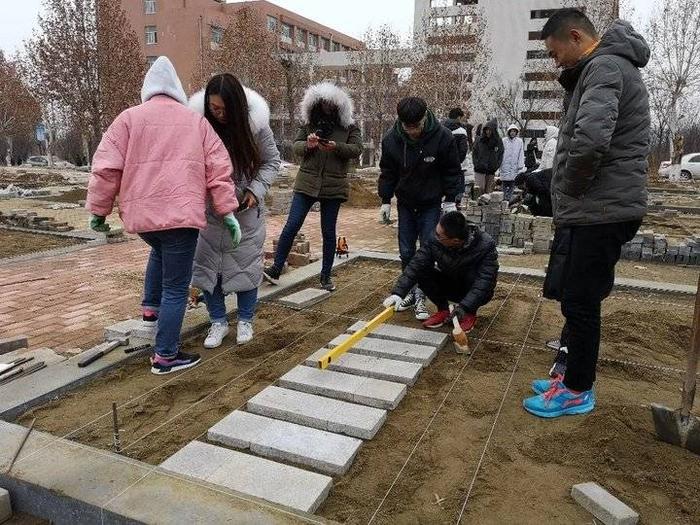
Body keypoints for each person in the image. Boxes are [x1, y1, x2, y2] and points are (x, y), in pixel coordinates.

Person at [522, 9, 650, 418]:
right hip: (598, 207)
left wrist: (567, 191)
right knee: (578, 300)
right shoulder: (604, 67)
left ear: (575, 36)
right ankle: (573, 376)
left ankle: (577, 388)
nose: (555, 61)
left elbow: (591, 141)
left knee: (581, 302)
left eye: (555, 52)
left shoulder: (605, 67)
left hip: (601, 208)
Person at [86, 57, 240, 375]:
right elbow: (219, 170)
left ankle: (150, 309)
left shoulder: (127, 120)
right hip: (181, 219)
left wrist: (99, 211)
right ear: (177, 91)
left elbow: (105, 167)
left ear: (148, 89)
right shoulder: (195, 123)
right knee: (176, 287)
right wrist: (228, 211)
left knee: (158, 251)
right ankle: (165, 356)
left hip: (144, 219)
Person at [189, 74, 280, 348]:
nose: (219, 115)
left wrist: (254, 190)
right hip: (209, 213)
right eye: (214, 109)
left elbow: (272, 161)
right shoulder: (200, 126)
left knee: (246, 267)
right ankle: (217, 322)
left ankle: (245, 319)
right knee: (207, 271)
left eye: (224, 109)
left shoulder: (256, 127)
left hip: (245, 211)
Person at [263, 81, 362, 291]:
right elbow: (296, 147)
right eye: (322, 102)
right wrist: (308, 145)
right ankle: (276, 268)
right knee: (292, 225)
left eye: (330, 103)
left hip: (334, 185)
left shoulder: (349, 127)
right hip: (307, 182)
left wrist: (337, 147)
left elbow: (356, 149)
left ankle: (326, 276)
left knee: (328, 231)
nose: (326, 106)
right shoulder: (309, 123)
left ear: (338, 105)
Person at [378, 97, 461, 320]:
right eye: (408, 127)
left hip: (430, 203)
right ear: (401, 122)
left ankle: (422, 297)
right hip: (405, 203)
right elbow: (387, 171)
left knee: (427, 250)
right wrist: (385, 200)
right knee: (406, 251)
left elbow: (452, 170)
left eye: (417, 126)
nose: (413, 131)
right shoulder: (391, 140)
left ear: (425, 117)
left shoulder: (442, 137)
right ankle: (411, 293)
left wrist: (451, 199)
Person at [383, 211, 498, 331]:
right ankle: (444, 309)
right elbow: (416, 264)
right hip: (449, 283)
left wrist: (464, 307)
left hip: (473, 290)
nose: (435, 236)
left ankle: (469, 314)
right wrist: (398, 293)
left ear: (456, 241)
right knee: (422, 271)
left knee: (475, 275)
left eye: (439, 236)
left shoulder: (485, 245)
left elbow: (485, 281)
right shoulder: (435, 239)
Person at [442, 107, 470, 206]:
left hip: (444, 166)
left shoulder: (442, 128)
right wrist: (457, 163)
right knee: (458, 191)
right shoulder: (461, 131)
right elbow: (463, 150)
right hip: (458, 166)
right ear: (458, 117)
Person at [472, 118, 504, 195]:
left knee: (489, 192)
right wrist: (476, 163)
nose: (488, 132)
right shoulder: (479, 140)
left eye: (490, 130)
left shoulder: (498, 141)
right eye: (487, 130)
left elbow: (501, 154)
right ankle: (477, 206)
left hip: (491, 169)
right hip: (480, 168)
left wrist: (496, 165)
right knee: (479, 189)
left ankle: (487, 206)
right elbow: (474, 152)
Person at [500, 124, 526, 202]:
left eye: (514, 131)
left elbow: (521, 153)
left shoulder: (519, 141)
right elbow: (500, 153)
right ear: (509, 132)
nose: (512, 133)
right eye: (511, 131)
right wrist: (500, 164)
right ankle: (503, 198)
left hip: (514, 166)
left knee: (512, 183)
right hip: (505, 164)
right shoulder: (504, 141)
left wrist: (520, 165)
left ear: (516, 132)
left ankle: (509, 199)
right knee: (504, 183)